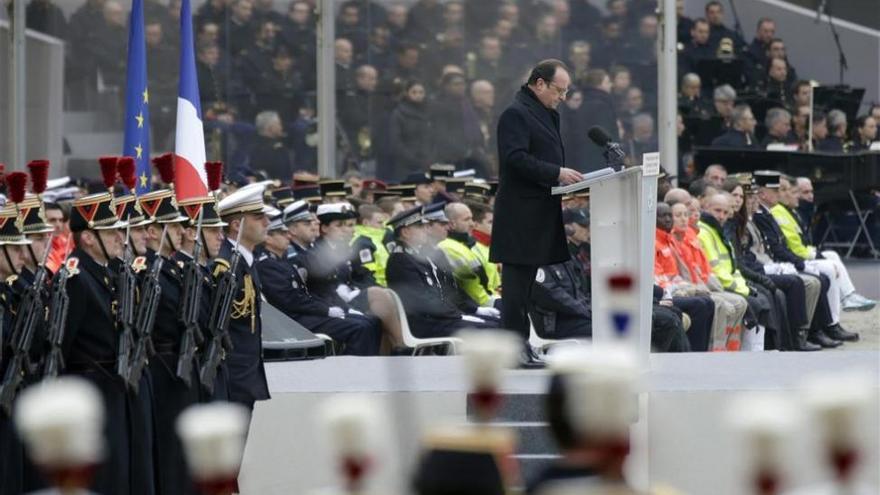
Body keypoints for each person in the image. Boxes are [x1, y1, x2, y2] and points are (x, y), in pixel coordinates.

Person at [491, 59, 584, 368]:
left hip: (539, 210)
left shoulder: (546, 113)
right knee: (516, 288)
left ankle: (523, 346)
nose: (562, 97)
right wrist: (556, 172)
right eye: (559, 90)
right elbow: (515, 158)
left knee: (527, 286)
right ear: (539, 83)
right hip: (520, 213)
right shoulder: (516, 113)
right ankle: (512, 350)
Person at [60, 192, 133, 494]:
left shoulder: (103, 273)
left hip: (110, 384)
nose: (120, 237)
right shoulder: (77, 277)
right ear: (88, 238)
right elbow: (63, 343)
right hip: (88, 385)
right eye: (110, 231)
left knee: (116, 471)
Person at [136, 188, 196, 495]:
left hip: (178, 367)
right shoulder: (145, 270)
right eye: (171, 227)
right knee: (168, 454)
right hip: (161, 367)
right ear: (153, 231)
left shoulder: (171, 267)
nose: (180, 232)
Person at [257, 212, 382, 356]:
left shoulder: (280, 261)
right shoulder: (267, 265)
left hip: (306, 313)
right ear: (268, 238)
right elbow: (290, 300)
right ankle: (352, 370)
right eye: (283, 234)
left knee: (371, 323)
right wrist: (325, 310)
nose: (289, 237)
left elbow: (305, 293)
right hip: (294, 319)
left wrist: (336, 308)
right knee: (360, 328)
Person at [385, 206, 495, 339]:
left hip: (441, 319)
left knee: (499, 324)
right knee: (494, 329)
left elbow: (446, 290)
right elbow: (423, 302)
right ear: (406, 232)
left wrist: (471, 311)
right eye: (420, 227)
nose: (426, 230)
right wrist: (459, 315)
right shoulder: (401, 261)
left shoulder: (416, 256)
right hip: (427, 324)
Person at [773, 175, 875, 312]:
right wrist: (818, 255)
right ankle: (837, 313)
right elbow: (794, 247)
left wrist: (817, 253)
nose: (797, 196)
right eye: (793, 191)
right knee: (830, 266)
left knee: (832, 255)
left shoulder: (790, 211)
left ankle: (849, 296)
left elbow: (801, 242)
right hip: (793, 259)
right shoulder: (780, 212)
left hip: (800, 253)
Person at [216, 184, 272, 416]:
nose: (267, 222)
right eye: (258, 217)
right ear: (236, 225)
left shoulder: (244, 259)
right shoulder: (226, 265)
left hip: (245, 373)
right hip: (231, 375)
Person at [439, 203, 499, 308]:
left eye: (471, 219)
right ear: (452, 224)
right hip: (479, 303)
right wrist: (496, 303)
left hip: (487, 299)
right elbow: (471, 288)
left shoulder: (465, 244)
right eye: (466, 220)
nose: (472, 224)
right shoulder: (449, 247)